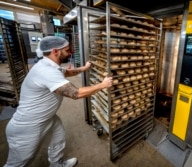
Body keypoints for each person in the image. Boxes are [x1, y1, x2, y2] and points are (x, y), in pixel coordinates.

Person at [4, 36, 113, 167]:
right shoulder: (46, 71)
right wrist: (102, 85)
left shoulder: (49, 64)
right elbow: (76, 93)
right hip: (28, 125)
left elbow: (66, 72)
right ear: (56, 51)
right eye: (67, 50)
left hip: (47, 118)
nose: (70, 52)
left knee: (58, 139)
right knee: (20, 161)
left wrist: (84, 68)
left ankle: (57, 164)